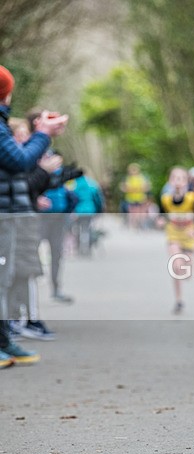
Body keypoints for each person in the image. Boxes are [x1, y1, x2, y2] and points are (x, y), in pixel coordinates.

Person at [0, 64, 68, 367]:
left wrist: (39, 138)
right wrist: (42, 135)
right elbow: (19, 162)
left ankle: (4, 340)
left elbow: (13, 160)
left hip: (11, 213)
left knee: (6, 277)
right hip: (6, 214)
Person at [160, 167, 194, 314]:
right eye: (174, 178)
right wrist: (160, 220)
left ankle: (188, 268)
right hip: (173, 233)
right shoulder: (166, 199)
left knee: (186, 271)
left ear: (186, 182)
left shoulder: (192, 198)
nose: (177, 182)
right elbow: (162, 215)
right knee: (176, 266)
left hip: (189, 234)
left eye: (181, 179)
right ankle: (178, 300)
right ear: (170, 181)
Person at [120, 163, 151, 230]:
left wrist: (135, 189)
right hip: (130, 199)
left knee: (140, 212)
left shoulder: (141, 178)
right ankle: (133, 226)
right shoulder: (128, 178)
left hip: (140, 198)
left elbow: (146, 187)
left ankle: (139, 225)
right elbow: (124, 188)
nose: (133, 172)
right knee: (132, 212)